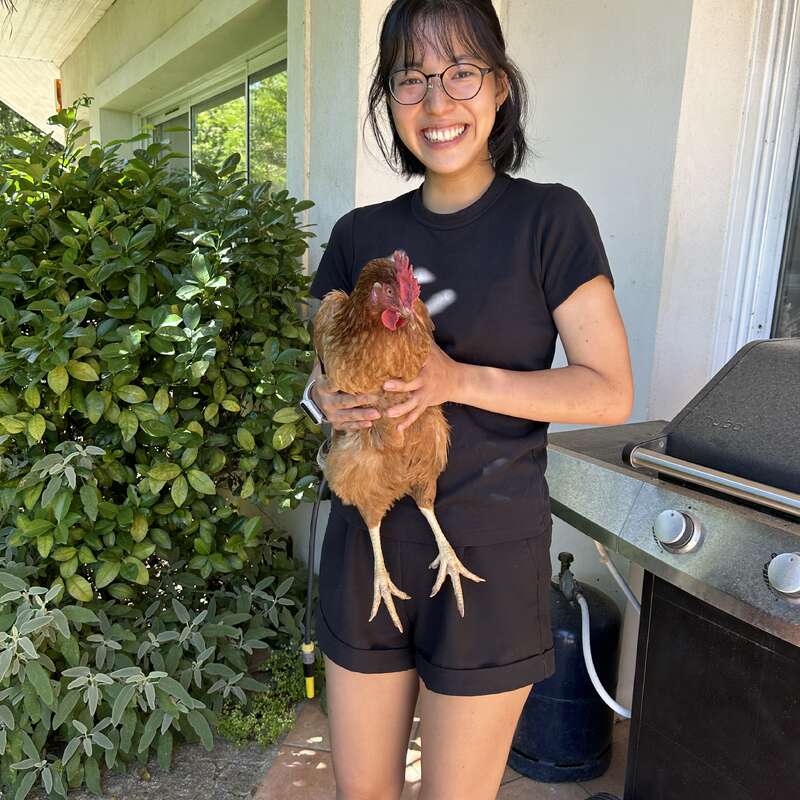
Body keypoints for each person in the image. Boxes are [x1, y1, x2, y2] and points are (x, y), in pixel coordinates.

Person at [304, 1, 633, 797]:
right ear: (389, 97)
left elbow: (608, 390)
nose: (437, 101)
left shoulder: (549, 219)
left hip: (487, 553)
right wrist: (322, 398)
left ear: (499, 86)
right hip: (367, 543)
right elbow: (318, 371)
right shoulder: (357, 235)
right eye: (411, 78)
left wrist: (457, 380)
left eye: (460, 72)